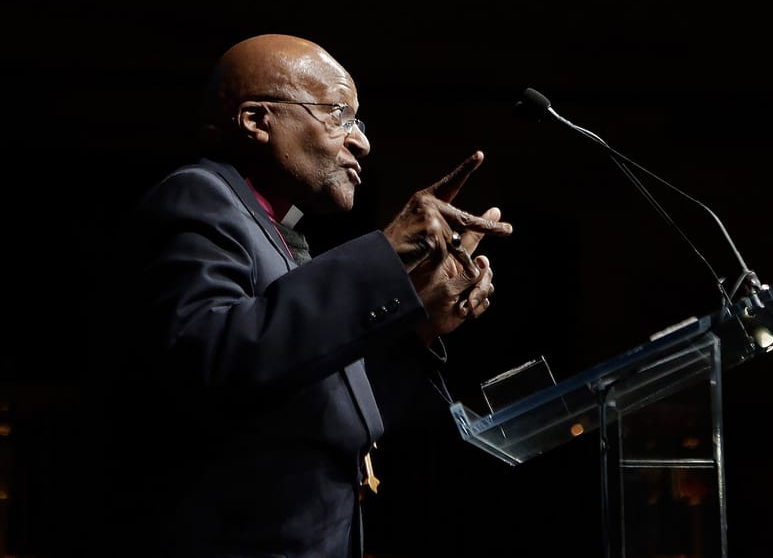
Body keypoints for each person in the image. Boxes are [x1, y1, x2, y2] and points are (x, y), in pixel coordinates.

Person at [80, 33, 513, 557]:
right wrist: (384, 253)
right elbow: (211, 359)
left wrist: (417, 322)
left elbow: (322, 403)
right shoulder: (197, 197)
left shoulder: (281, 233)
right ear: (256, 120)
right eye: (338, 114)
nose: (360, 142)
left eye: (358, 122)